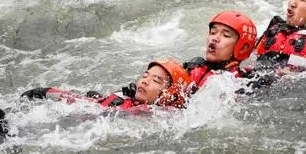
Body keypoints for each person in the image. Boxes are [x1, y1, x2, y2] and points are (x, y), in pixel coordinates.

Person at [20, 58, 192, 115]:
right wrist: (49, 92)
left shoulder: (160, 116)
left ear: (170, 94)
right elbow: (86, 101)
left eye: (155, 80)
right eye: (144, 76)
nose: (145, 81)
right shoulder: (124, 99)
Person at [183, 10, 258, 91]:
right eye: (213, 32)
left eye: (226, 35)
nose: (214, 38)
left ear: (243, 48)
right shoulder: (194, 67)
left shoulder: (241, 83)